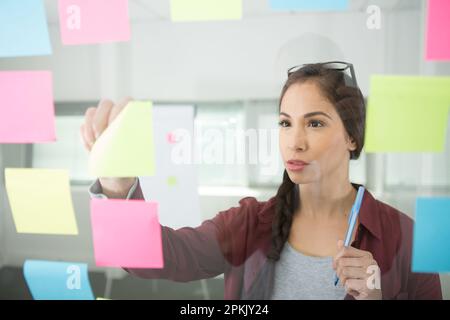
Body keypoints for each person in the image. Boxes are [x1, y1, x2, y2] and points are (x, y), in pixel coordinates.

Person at [80, 62, 442, 300]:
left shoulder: (406, 238)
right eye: (285, 123)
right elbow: (161, 258)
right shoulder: (249, 223)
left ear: (352, 137)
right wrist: (117, 187)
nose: (294, 141)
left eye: (314, 123)